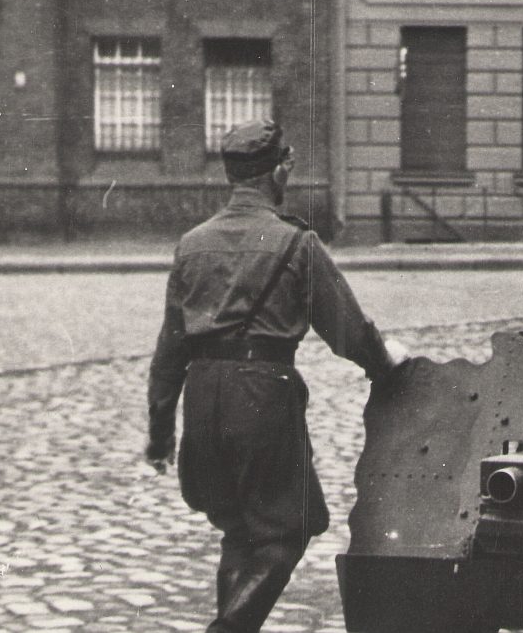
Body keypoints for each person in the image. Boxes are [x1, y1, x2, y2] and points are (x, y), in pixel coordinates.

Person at [145, 119, 408, 633]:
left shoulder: (192, 245)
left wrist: (160, 435)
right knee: (291, 526)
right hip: (262, 394)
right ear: (280, 169)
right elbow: (348, 331)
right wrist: (387, 365)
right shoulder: (296, 245)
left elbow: (168, 352)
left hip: (202, 395)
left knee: (238, 529)